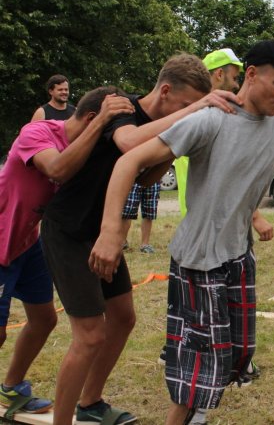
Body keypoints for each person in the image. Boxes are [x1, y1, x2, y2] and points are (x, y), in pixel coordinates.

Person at [88, 40, 274, 425]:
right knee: (200, 366)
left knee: (236, 355)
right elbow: (128, 161)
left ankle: (197, 412)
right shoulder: (211, 119)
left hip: (238, 256)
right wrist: (111, 232)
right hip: (198, 259)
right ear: (251, 74)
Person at [40, 55, 239, 425]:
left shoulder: (166, 121)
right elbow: (129, 143)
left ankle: (90, 403)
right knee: (89, 336)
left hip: (101, 233)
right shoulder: (122, 106)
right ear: (165, 91)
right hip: (68, 230)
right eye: (185, 103)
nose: (189, 111)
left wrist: (178, 143)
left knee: (123, 318)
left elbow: (144, 179)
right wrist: (196, 109)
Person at [0, 88, 133, 416]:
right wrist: (102, 121)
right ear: (92, 118)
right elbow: (56, 169)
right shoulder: (37, 132)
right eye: (109, 128)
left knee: (44, 319)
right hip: (1, 242)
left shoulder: (86, 147)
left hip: (28, 243)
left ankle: (11, 388)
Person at [177, 48, 244, 217]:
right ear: (219, 74)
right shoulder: (201, 112)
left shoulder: (191, 108)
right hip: (207, 212)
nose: (237, 85)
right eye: (235, 78)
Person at [121, 182, 161, 253]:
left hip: (153, 181)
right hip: (134, 180)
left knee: (149, 213)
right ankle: (122, 242)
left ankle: (145, 244)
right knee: (128, 212)